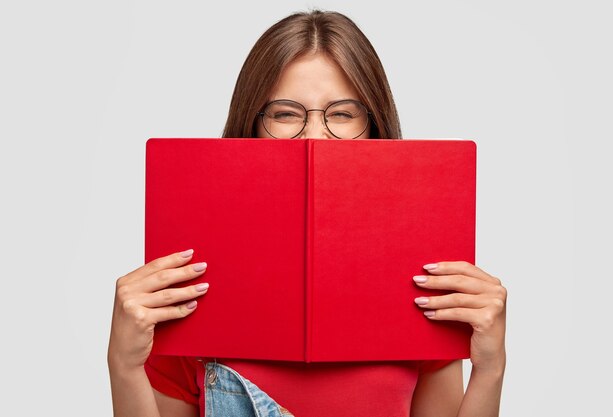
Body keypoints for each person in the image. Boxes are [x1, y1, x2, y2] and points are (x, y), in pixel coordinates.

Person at [108, 10, 507, 417]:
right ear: (252, 123)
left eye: (342, 113)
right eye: (285, 113)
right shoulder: (190, 285)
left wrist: (490, 369)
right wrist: (123, 366)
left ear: (374, 126)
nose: (315, 134)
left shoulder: (422, 285)